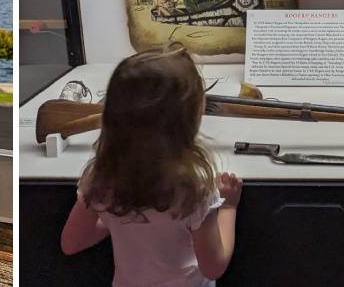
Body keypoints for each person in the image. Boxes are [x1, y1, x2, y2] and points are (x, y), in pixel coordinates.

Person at [61, 44, 243, 286]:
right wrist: (229, 206)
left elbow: (72, 243)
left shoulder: (101, 177)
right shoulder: (194, 187)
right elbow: (214, 266)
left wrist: (116, 213)